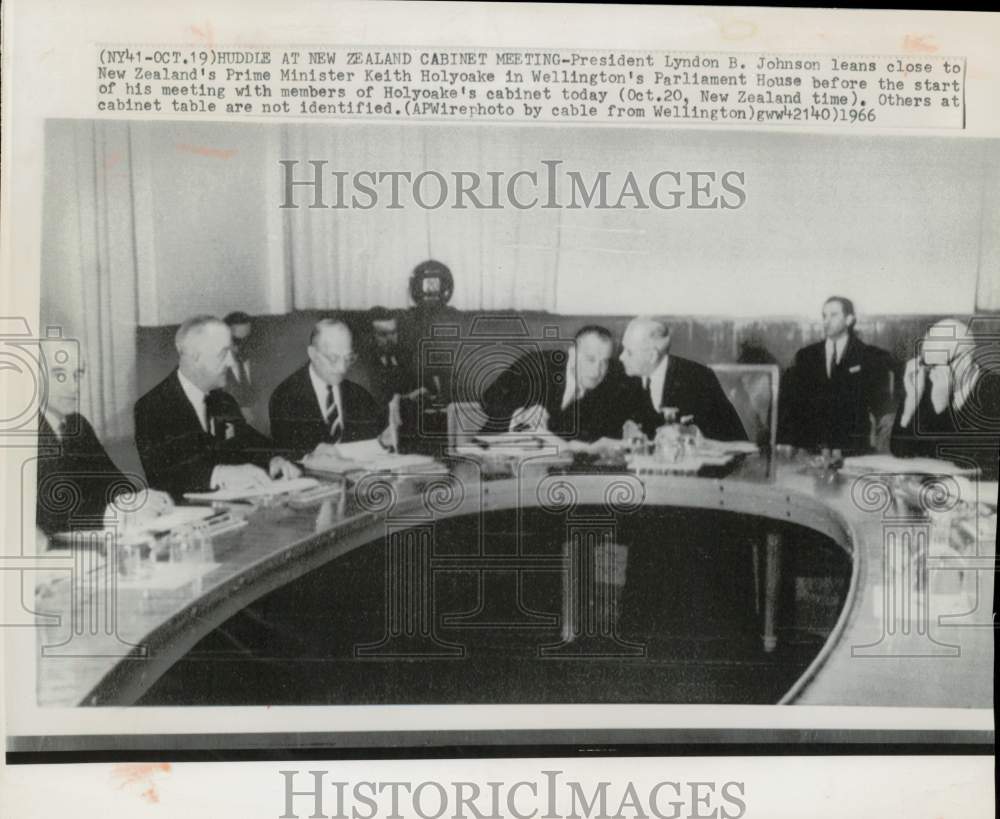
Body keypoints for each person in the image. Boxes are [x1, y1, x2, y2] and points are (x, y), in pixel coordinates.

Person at [134, 315, 300, 500]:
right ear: (195, 357)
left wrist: (274, 459)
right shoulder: (153, 407)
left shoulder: (223, 401)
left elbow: (249, 443)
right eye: (223, 354)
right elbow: (166, 476)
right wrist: (221, 474)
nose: (231, 362)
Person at [36, 337, 173, 535]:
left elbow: (112, 482)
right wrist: (119, 512)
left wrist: (139, 499)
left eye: (78, 375)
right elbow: (47, 514)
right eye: (59, 375)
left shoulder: (78, 425)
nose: (74, 387)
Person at [480, 325, 636, 443]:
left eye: (605, 362)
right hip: (496, 451)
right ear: (573, 354)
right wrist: (520, 413)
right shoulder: (536, 365)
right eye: (590, 359)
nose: (597, 371)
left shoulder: (615, 377)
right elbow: (488, 399)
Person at [779, 296, 894, 455]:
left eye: (833, 315)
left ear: (849, 320)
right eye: (824, 316)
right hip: (811, 449)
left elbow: (881, 404)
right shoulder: (806, 356)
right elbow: (791, 405)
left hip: (852, 450)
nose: (826, 321)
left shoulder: (869, 357)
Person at [890, 318, 999, 479]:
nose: (931, 373)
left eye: (937, 365)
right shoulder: (927, 382)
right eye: (927, 365)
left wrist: (943, 409)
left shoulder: (993, 388)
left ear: (966, 358)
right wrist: (910, 404)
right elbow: (900, 450)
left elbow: (970, 460)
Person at [269, 319, 388, 458]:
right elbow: (288, 455)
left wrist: (385, 440)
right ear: (313, 354)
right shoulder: (285, 397)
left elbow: (375, 443)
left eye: (349, 358)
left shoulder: (360, 395)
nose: (342, 368)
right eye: (333, 358)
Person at [619, 316, 748, 441]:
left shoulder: (698, 378)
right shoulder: (622, 378)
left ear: (652, 356)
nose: (621, 357)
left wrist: (692, 434)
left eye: (629, 352)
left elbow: (734, 436)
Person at [223, 310, 258, 423]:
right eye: (237, 340)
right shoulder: (217, 367)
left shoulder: (261, 361)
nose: (242, 346)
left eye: (247, 339)